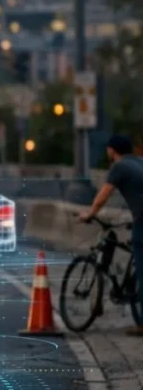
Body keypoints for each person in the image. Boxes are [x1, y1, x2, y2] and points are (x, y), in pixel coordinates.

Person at [80, 134, 143, 334]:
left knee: (142, 272)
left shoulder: (119, 167)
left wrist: (90, 214)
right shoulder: (139, 162)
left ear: (111, 150)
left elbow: (104, 195)